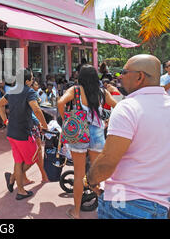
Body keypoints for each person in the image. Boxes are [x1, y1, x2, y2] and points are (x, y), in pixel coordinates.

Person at [85, 55, 170, 219]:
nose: (119, 77)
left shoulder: (128, 107)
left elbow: (107, 162)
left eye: (124, 72)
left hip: (123, 203)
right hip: (159, 204)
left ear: (140, 77)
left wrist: (89, 180)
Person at [57, 64, 117, 219]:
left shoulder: (75, 90)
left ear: (81, 77)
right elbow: (118, 106)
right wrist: (108, 121)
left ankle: (76, 212)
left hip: (78, 133)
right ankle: (103, 207)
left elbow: (60, 102)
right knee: (97, 173)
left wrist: (67, 120)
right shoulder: (102, 92)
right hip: (97, 133)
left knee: (78, 174)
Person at [0, 69, 49, 200]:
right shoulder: (29, 91)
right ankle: (14, 178)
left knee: (19, 161)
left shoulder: (12, 90)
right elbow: (36, 109)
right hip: (22, 132)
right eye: (31, 78)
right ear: (26, 81)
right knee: (33, 157)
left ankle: (20, 189)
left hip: (11, 132)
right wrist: (45, 125)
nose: (33, 81)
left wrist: (5, 120)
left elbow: (0, 104)